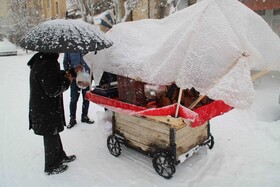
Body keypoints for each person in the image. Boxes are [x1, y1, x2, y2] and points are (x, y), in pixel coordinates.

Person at [27, 52, 79, 175]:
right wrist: (68, 80)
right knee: (50, 133)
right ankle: (51, 165)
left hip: (45, 106)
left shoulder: (44, 60)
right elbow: (53, 89)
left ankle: (60, 156)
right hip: (45, 108)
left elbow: (51, 77)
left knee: (53, 131)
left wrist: (70, 72)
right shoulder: (47, 63)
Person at [63, 52, 94, 129]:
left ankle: (85, 116)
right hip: (74, 79)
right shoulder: (70, 49)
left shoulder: (88, 47)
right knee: (73, 99)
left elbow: (92, 62)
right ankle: (72, 118)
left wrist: (91, 76)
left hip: (86, 77)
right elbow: (65, 63)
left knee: (86, 98)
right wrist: (71, 71)